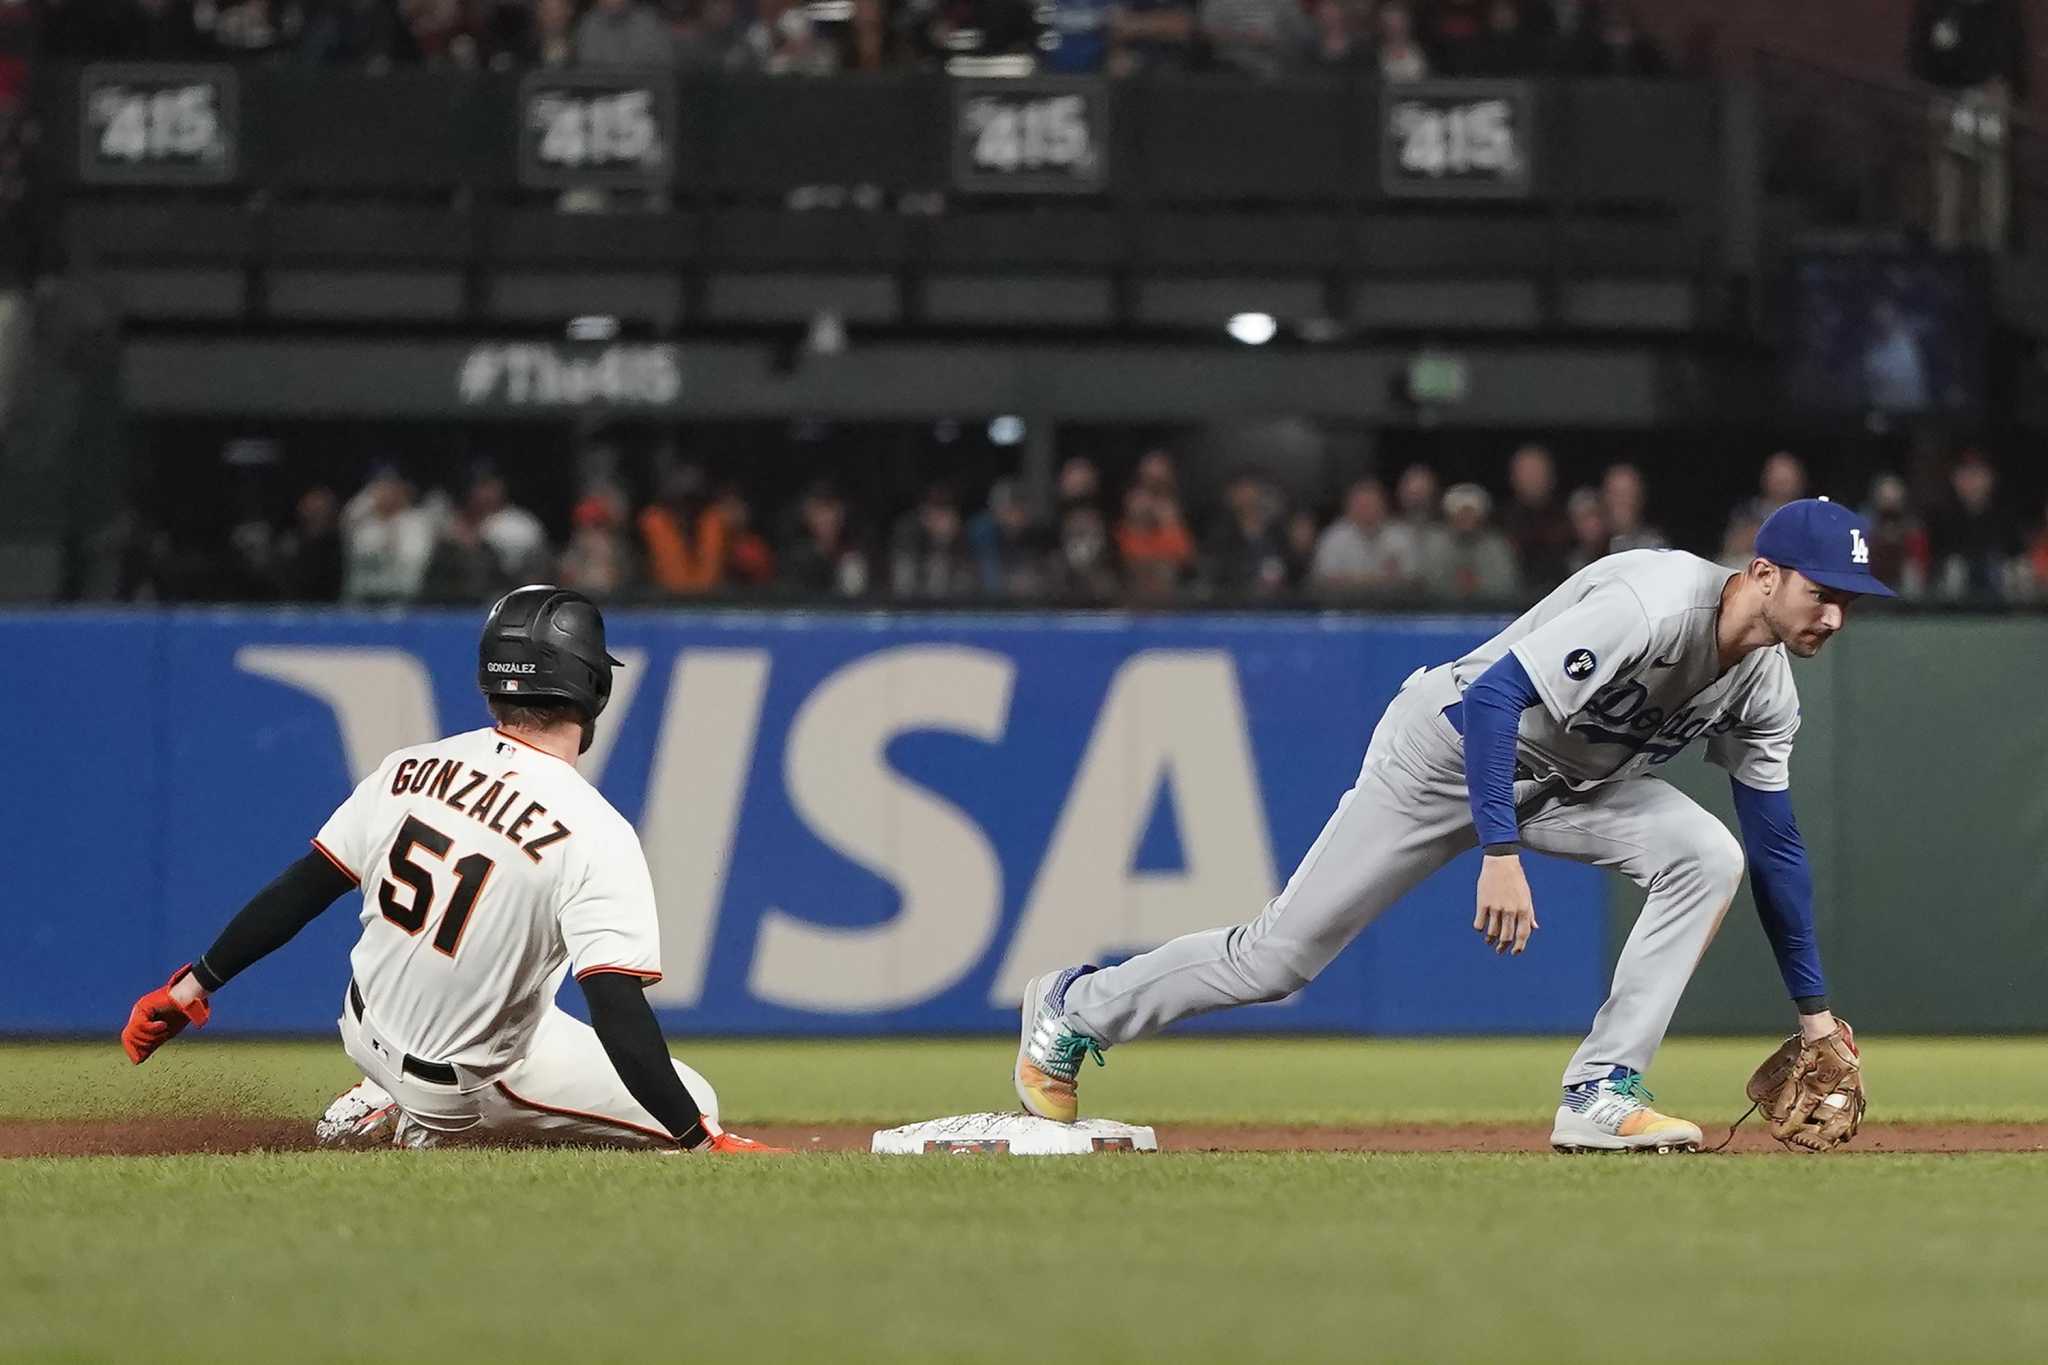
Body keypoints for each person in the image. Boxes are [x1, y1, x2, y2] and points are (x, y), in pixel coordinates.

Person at [1014, 497, 1889, 1153]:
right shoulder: (1655, 601)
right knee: (1279, 957)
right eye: (1823, 593)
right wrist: (1498, 850)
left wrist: (1815, 1016)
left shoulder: (1768, 687)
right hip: (1445, 749)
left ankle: (1599, 1091)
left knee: (1708, 852)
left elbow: (1776, 845)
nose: (1836, 617)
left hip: (1572, 781)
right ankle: (1071, 1006)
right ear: (1765, 573)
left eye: (1849, 600)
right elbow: (1496, 698)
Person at [121, 587, 782, 1154]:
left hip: (360, 1024)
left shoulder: (411, 765)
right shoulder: (595, 828)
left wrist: (191, 986)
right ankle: (412, 1118)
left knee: (528, 1008)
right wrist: (702, 1141)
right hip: (465, 1084)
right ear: (594, 686)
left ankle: (377, 1091)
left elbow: (305, 885)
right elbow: (616, 1008)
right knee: (695, 1096)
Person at [1310, 478, 1419, 597]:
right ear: (1349, 507)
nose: (1366, 510)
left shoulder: (1400, 536)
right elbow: (1325, 580)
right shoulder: (1334, 536)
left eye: (1371, 504)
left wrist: (1354, 580)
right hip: (1344, 608)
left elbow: (1412, 580)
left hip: (1392, 607)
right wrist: (1379, 580)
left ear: (1383, 506)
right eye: (1361, 504)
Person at [1420, 482, 1519, 601]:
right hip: (1438, 611)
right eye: (1461, 513)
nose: (1466, 518)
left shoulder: (1496, 546)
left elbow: (1506, 583)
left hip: (1488, 611)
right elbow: (1426, 582)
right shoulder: (1435, 543)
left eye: (1471, 513)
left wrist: (1478, 585)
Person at [1500, 444, 1573, 590]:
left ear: (1551, 477)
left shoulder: (1569, 522)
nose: (1532, 477)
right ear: (1513, 477)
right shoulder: (1500, 522)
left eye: (1537, 471)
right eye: (1526, 472)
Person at [1600, 462, 1666, 552]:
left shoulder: (1654, 546)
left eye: (1628, 494)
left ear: (1640, 497)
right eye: (1615, 493)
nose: (1621, 501)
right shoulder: (1590, 548)